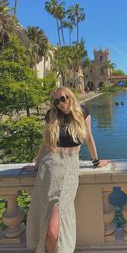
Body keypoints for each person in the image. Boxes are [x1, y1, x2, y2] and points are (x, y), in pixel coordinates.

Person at [22, 86, 109, 253]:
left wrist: (96, 161)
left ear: (70, 96)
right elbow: (46, 143)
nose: (61, 103)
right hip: (49, 168)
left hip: (69, 167)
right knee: (47, 224)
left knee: (54, 229)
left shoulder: (82, 111)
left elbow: (89, 137)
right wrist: (37, 164)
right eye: (56, 101)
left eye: (63, 98)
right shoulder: (51, 115)